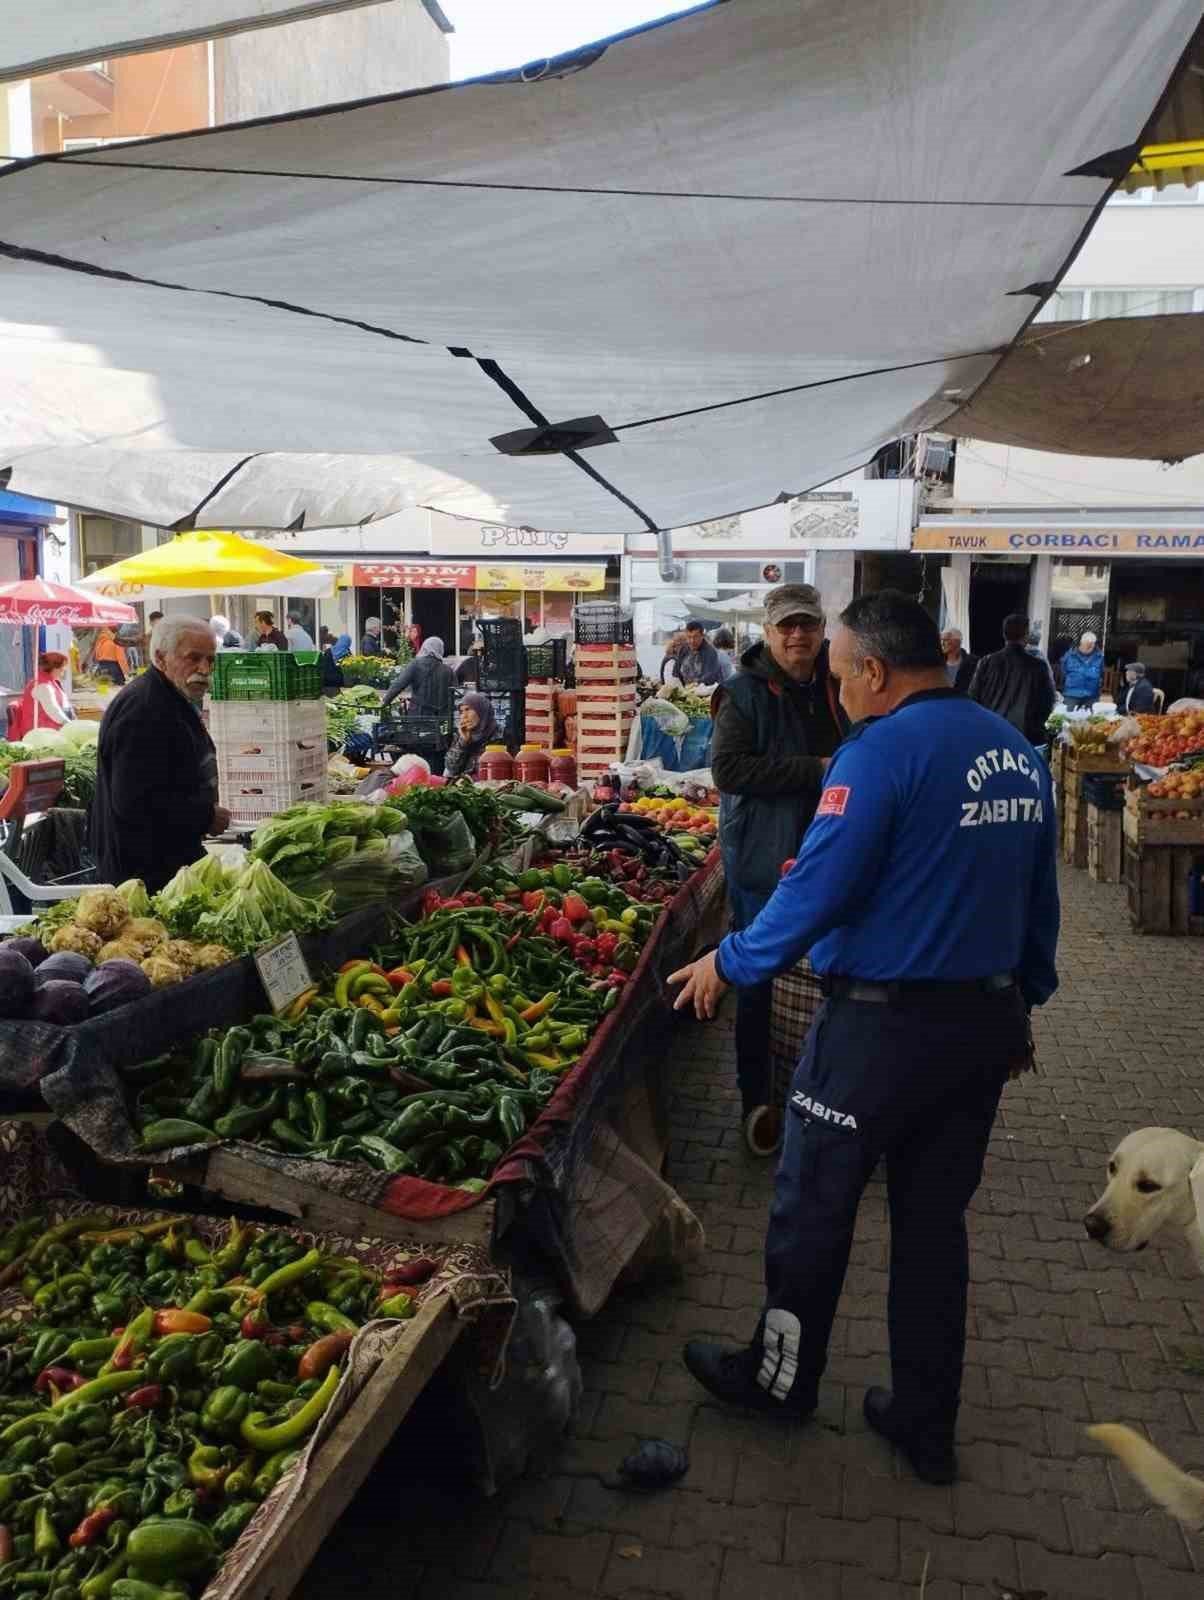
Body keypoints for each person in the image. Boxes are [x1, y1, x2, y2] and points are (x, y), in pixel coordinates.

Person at [670, 590, 1060, 1485]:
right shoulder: (1015, 753)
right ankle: (927, 1422)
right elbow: (1041, 898)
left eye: (843, 677)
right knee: (932, 1228)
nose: (838, 694)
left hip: (879, 1031)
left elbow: (817, 889)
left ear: (876, 673)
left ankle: (781, 1385)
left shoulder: (876, 752)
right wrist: (1025, 1004)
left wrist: (728, 964)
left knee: (811, 1214)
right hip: (982, 1030)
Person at [711, 583, 848, 1154]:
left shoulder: (838, 687)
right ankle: (757, 1102)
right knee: (758, 977)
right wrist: (814, 769)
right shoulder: (742, 693)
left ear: (822, 632)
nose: (798, 636)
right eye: (787, 626)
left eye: (807, 626)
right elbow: (729, 771)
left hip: (828, 853)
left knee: (830, 979)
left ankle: (822, 1098)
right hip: (763, 860)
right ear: (767, 633)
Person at [91, 616, 230, 892]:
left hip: (168, 860)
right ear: (160, 657)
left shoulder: (170, 697)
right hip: (145, 873)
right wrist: (204, 816)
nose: (204, 669)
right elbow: (133, 800)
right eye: (193, 658)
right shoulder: (144, 709)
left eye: (210, 660)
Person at [968, 615, 1056, 749]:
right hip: (1025, 736)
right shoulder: (1038, 666)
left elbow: (973, 698)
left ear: (1004, 634)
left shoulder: (986, 662)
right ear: (1026, 635)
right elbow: (1047, 703)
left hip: (991, 733)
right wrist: (1036, 726)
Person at [380, 636, 454, 724]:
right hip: (441, 719)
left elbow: (399, 684)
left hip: (418, 715)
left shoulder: (415, 664)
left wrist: (385, 702)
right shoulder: (448, 670)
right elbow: (454, 694)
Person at [10, 652, 76, 741]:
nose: (63, 671)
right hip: (39, 733)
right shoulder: (43, 686)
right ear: (54, 668)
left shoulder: (49, 682)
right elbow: (53, 711)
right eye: (62, 668)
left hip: (48, 729)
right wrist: (71, 725)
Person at [444, 692, 498, 778]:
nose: (464, 716)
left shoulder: (499, 735)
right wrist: (463, 743)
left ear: (481, 711)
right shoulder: (462, 734)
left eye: (468, 709)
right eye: (461, 712)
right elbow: (451, 769)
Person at [1060, 629, 1104, 710]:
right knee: (1068, 717)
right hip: (1072, 694)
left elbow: (1101, 673)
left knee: (1092, 720)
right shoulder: (1069, 656)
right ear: (1081, 643)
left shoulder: (1099, 657)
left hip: (1092, 695)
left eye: (1091, 645)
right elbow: (1063, 672)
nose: (1090, 647)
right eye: (1087, 645)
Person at [672, 621, 725, 686]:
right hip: (686, 690)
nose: (692, 641)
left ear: (702, 636)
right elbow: (675, 672)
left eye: (695, 637)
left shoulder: (710, 652)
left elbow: (709, 678)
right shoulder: (683, 649)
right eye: (689, 637)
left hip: (706, 691)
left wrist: (691, 687)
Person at [940, 627, 977, 693]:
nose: (942, 643)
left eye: (945, 640)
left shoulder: (974, 662)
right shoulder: (937, 662)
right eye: (941, 640)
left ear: (957, 642)